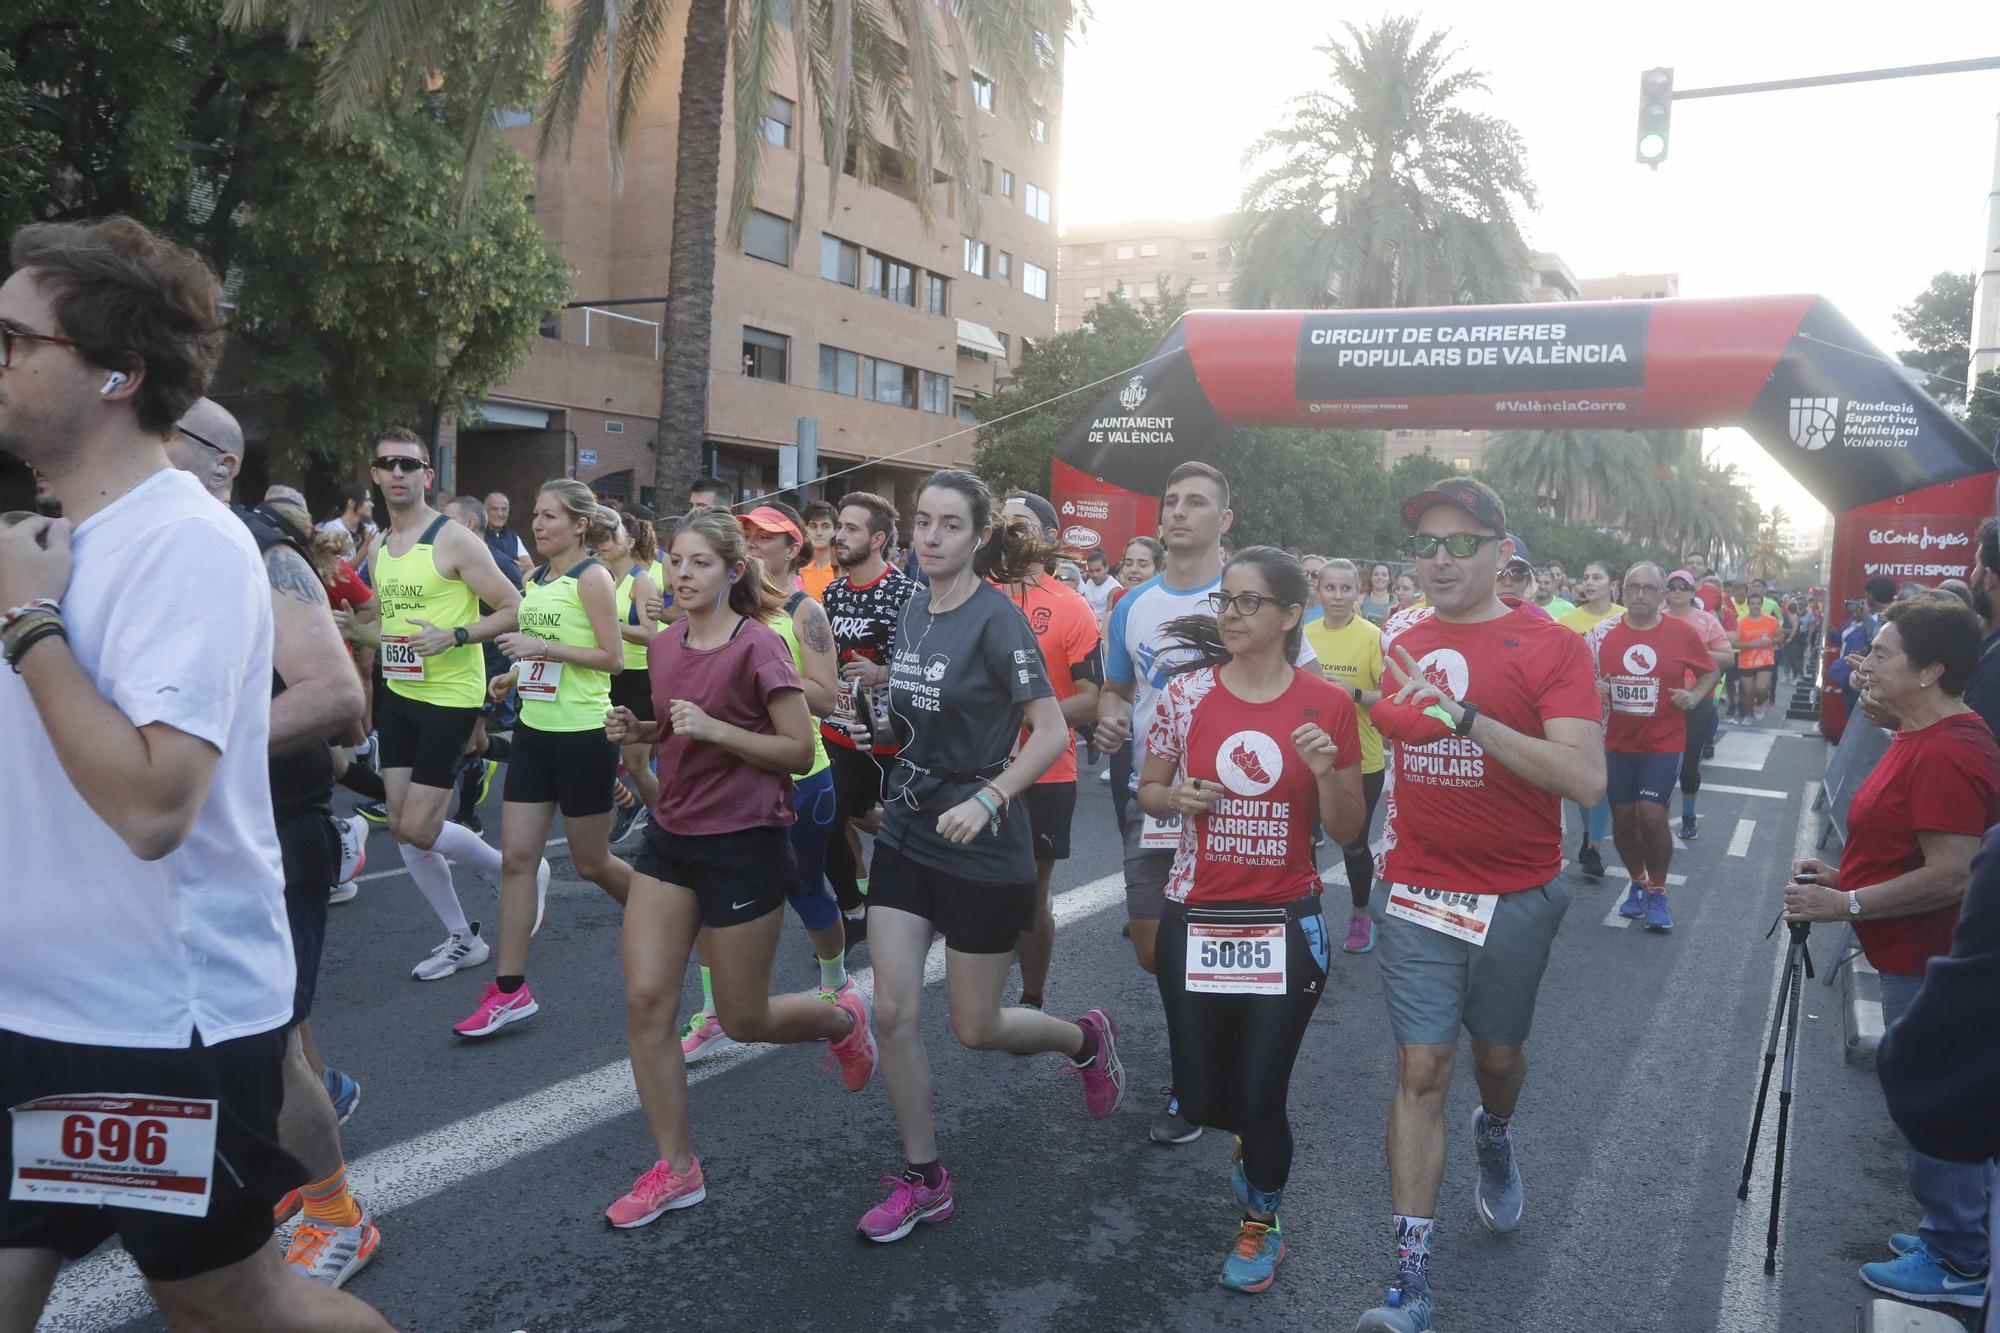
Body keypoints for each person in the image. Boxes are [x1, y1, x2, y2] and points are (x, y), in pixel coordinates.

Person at [0, 216, 390, 1330]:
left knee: (234, 1307)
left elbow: (154, 803)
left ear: (117, 373)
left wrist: (28, 623)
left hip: (146, 1028)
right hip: (30, 1003)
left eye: (15, 339)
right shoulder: (49, 535)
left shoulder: (185, 543)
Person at [843, 469, 1124, 1243]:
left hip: (981, 838)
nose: (931, 536)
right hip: (907, 826)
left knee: (976, 1025)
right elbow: (910, 721)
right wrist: (882, 733)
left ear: (977, 537)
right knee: (893, 1008)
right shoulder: (908, 611)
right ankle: (924, 1176)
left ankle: (1084, 1038)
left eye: (949, 525)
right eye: (922, 522)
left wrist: (993, 796)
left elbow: (1054, 732)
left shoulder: (1001, 621)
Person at [1356, 477, 1604, 1333]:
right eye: (1427, 542)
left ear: (1503, 553)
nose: (1440, 558)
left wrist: (1465, 717)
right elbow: (1383, 726)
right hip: (1417, 888)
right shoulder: (1399, 633)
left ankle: (1495, 1131)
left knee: (1497, 1058)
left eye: (1463, 542)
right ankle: (1411, 1282)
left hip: (1517, 893)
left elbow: (1584, 778)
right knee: (1421, 1070)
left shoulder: (1553, 646)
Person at [602, 508, 875, 1228]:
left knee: (742, 1016)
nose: (683, 574)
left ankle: (839, 1020)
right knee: (646, 1000)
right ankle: (677, 1168)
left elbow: (794, 745)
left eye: (699, 562)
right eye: (677, 562)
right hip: (673, 836)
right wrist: (646, 731)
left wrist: (714, 728)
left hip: (747, 839)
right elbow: (680, 725)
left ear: (732, 571)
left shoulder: (759, 646)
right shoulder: (662, 646)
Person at [164, 400, 384, 1285]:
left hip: (271, 826)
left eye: (161, 434)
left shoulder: (258, 547)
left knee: (270, 1036)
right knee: (249, 1031)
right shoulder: (144, 543)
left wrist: (186, 754)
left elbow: (337, 697)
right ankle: (295, 1174)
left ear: (220, 461)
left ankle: (338, 1214)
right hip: (183, 837)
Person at [1140, 545, 1362, 1291]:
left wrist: (1330, 768)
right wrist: (1176, 801)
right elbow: (1149, 787)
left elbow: (1351, 828)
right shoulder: (1185, 693)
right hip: (1197, 915)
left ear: (1291, 614)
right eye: (1224, 601)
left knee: (1262, 1095)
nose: (1230, 614)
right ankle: (1247, 1145)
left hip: (1285, 920)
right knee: (1202, 1097)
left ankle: (1261, 1221)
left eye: (1247, 602)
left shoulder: (1326, 702)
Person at [1783, 594, 1998, 1310]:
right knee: (1921, 1102)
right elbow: (1904, 850)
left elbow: (1952, 872)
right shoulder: (1915, 732)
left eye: (1882, 652)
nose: (1863, 661)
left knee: (1934, 1101)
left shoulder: (1950, 749)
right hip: (1904, 946)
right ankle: (1949, 1230)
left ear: (1932, 669)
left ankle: (1961, 1259)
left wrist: (1845, 903)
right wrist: (1844, 877)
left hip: (1930, 957)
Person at [1097, 461, 1318, 1146]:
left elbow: (1296, 688)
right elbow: (1117, 690)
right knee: (1153, 946)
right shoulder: (1133, 603)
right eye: (1170, 502)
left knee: (1223, 942)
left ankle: (1198, 1081)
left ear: (1224, 520)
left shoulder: (1251, 596)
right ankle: (1200, 1058)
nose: (1179, 513)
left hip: (1244, 803)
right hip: (1157, 793)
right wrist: (1108, 719)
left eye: (1196, 503)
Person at [346, 427, 525, 978]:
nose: (397, 473)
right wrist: (351, 628)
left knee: (420, 829)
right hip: (400, 695)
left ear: (427, 473)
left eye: (408, 464)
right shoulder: (378, 547)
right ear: (375, 475)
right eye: (387, 464)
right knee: (401, 825)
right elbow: (391, 630)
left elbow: (513, 607)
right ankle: (459, 937)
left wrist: (458, 635)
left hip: (449, 698)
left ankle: (515, 872)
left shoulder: (452, 539)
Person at [452, 481, 629, 1038]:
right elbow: (538, 651)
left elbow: (613, 659)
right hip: (534, 733)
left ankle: (671, 912)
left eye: (550, 516)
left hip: (582, 736)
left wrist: (542, 650)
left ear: (580, 525)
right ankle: (510, 991)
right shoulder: (534, 579)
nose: (538, 524)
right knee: (516, 861)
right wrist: (513, 675)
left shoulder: (592, 578)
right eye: (536, 514)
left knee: (594, 863)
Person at [679, 502, 854, 1060]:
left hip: (800, 776)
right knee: (711, 896)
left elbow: (826, 697)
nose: (753, 540)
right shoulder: (721, 606)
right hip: (726, 778)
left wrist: (764, 678)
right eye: (747, 531)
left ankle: (838, 985)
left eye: (767, 534)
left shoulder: (804, 612)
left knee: (804, 888)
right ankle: (712, 1011)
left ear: (792, 547)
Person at [996, 493, 1103, 1018]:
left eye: (1020, 523)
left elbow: (1091, 698)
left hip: (1044, 771)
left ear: (1048, 537)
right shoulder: (974, 595)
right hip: (972, 767)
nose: (1007, 530)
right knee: (977, 884)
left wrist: (1024, 715)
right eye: (1001, 522)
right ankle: (984, 985)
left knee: (1030, 892)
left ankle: (1032, 998)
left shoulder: (1071, 604)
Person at [1585, 564, 1721, 932]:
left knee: (1652, 816)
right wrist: (1593, 688)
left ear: (1663, 594)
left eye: (1649, 588)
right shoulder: (1601, 635)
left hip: (1663, 743)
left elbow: (1711, 670)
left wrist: (1694, 695)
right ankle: (1638, 881)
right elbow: (1581, 676)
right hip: (1616, 744)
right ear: (1623, 591)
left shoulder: (1681, 633)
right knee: (1625, 823)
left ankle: (1658, 891)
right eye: (1634, 588)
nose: (1641, 595)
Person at [820, 490, 919, 942]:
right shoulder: (832, 592)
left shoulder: (908, 593)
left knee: (898, 832)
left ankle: (899, 908)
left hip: (895, 739)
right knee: (823, 822)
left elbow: (930, 671)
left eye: (851, 528)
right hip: (841, 734)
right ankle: (855, 908)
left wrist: (882, 673)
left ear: (877, 538)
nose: (839, 535)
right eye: (839, 526)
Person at [1305, 558, 1389, 953]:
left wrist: (1352, 694)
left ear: (1358, 592)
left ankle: (1360, 915)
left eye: (1345, 589)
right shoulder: (1304, 634)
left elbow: (1391, 698)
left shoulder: (1372, 636)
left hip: (1361, 760)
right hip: (1307, 755)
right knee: (1302, 839)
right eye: (1330, 588)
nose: (1337, 596)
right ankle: (1305, 914)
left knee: (1353, 843)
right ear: (1318, 591)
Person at [600, 511, 663, 844]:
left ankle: (665, 826)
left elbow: (650, 633)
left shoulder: (643, 580)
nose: (604, 545)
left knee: (637, 764)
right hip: (609, 674)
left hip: (640, 677)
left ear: (630, 542)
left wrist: (609, 623)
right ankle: (628, 804)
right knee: (595, 751)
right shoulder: (605, 576)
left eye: (610, 538)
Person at [1558, 561, 1622, 881]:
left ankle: (1594, 848)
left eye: (1597, 577)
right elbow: (1559, 666)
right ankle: (1588, 834)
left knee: (1604, 781)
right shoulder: (1568, 620)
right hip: (1582, 709)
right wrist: (1586, 685)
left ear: (1613, 583)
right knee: (1586, 781)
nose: (1590, 582)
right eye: (1585, 577)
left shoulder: (1625, 617)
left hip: (1621, 713)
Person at [1662, 569, 1734, 839]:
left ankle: (1689, 815)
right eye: (1673, 586)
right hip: (1661, 700)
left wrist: (1693, 652)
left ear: (1693, 592)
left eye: (1684, 586)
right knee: (1661, 763)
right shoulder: (1656, 619)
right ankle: (1660, 817)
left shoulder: (1706, 621)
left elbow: (1727, 658)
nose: (1678, 590)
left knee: (1689, 764)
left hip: (1697, 700)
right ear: (1666, 591)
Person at [1104, 535, 1166, 819]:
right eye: (1128, 563)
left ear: (1158, 569)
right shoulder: (1118, 610)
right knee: (1129, 820)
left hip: (1167, 737)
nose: (1133, 570)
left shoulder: (1169, 608)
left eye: (1143, 564)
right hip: (1131, 733)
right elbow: (1113, 685)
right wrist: (1110, 718)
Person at [1829, 575, 1898, 721]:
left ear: (1871, 595)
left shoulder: (1889, 619)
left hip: (1872, 684)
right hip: (1858, 681)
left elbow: (1876, 641)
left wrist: (1866, 617)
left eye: (1866, 594)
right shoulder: (1865, 619)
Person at [1963, 517, 2000, 740]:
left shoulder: (1994, 667)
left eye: (1975, 564)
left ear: (1989, 577)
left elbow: (1970, 757)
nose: (1972, 575)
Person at [1733, 587, 1782, 723]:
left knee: (1761, 688)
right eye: (1752, 603)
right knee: (1747, 691)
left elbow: (1780, 637)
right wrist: (1752, 645)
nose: (1755, 606)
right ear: (1748, 605)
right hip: (1746, 661)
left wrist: (1769, 641)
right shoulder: (1741, 622)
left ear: (1761, 604)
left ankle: (1760, 704)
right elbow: (1734, 643)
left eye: (1757, 603)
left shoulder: (1771, 621)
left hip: (1765, 660)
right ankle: (1748, 715)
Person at [317, 481, 375, 563]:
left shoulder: (368, 530)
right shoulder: (333, 529)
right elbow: (339, 572)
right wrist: (366, 547)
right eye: (367, 500)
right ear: (351, 502)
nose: (372, 504)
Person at [482, 491, 533, 581]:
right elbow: (481, 565)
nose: (500, 514)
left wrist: (499, 564)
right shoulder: (478, 535)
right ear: (485, 511)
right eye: (494, 509)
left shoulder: (513, 537)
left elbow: (529, 566)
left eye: (504, 509)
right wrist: (515, 564)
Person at [799, 499, 839, 602]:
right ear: (806, 529)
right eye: (813, 526)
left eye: (825, 526)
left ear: (835, 531)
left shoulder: (840, 572)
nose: (819, 532)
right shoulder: (801, 572)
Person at [1080, 546, 1119, 622]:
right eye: (1091, 571)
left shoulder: (1114, 589)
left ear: (1106, 568)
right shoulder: (1089, 581)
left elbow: (1110, 620)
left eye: (1098, 570)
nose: (1094, 575)